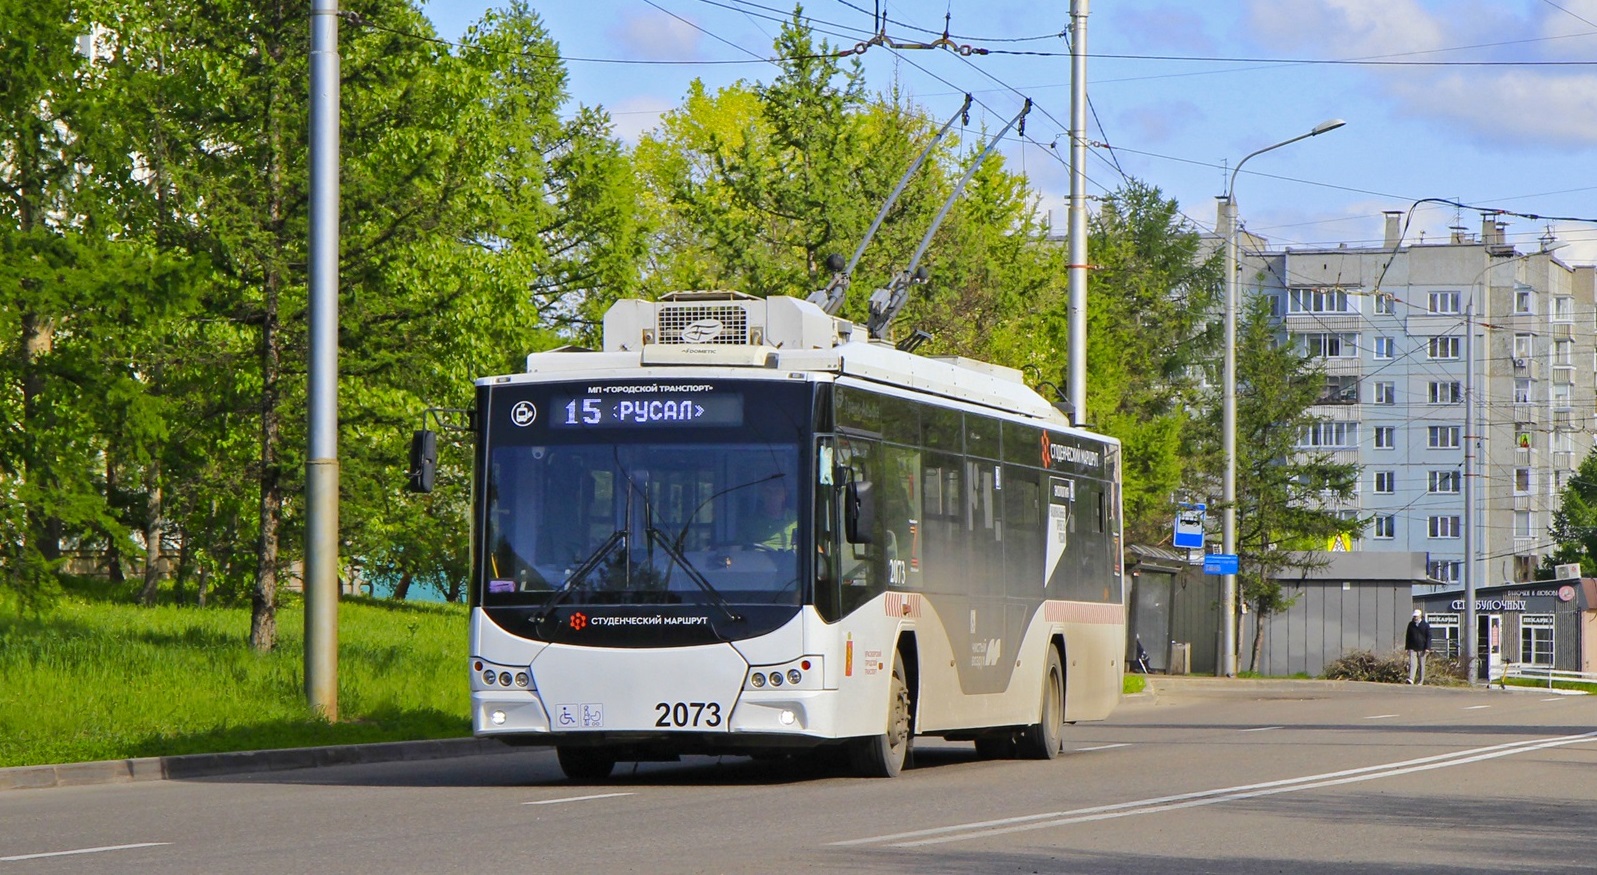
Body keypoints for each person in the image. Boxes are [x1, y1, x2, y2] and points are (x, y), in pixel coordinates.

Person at [740, 477, 797, 550]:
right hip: (758, 560)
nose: (772, 496)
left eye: (777, 491)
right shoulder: (748, 523)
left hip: (792, 561)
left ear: (784, 494)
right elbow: (735, 552)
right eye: (768, 491)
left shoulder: (797, 519)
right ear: (762, 494)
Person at [1404, 609, 1431, 685]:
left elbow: (1429, 637)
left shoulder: (1425, 625)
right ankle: (1411, 679)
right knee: (1412, 663)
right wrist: (1407, 648)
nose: (1415, 617)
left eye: (1416, 616)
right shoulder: (1411, 624)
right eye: (1414, 616)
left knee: (1421, 665)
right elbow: (1408, 636)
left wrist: (1427, 648)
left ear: (1420, 616)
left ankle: (1420, 681)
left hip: (1422, 648)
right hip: (1412, 647)